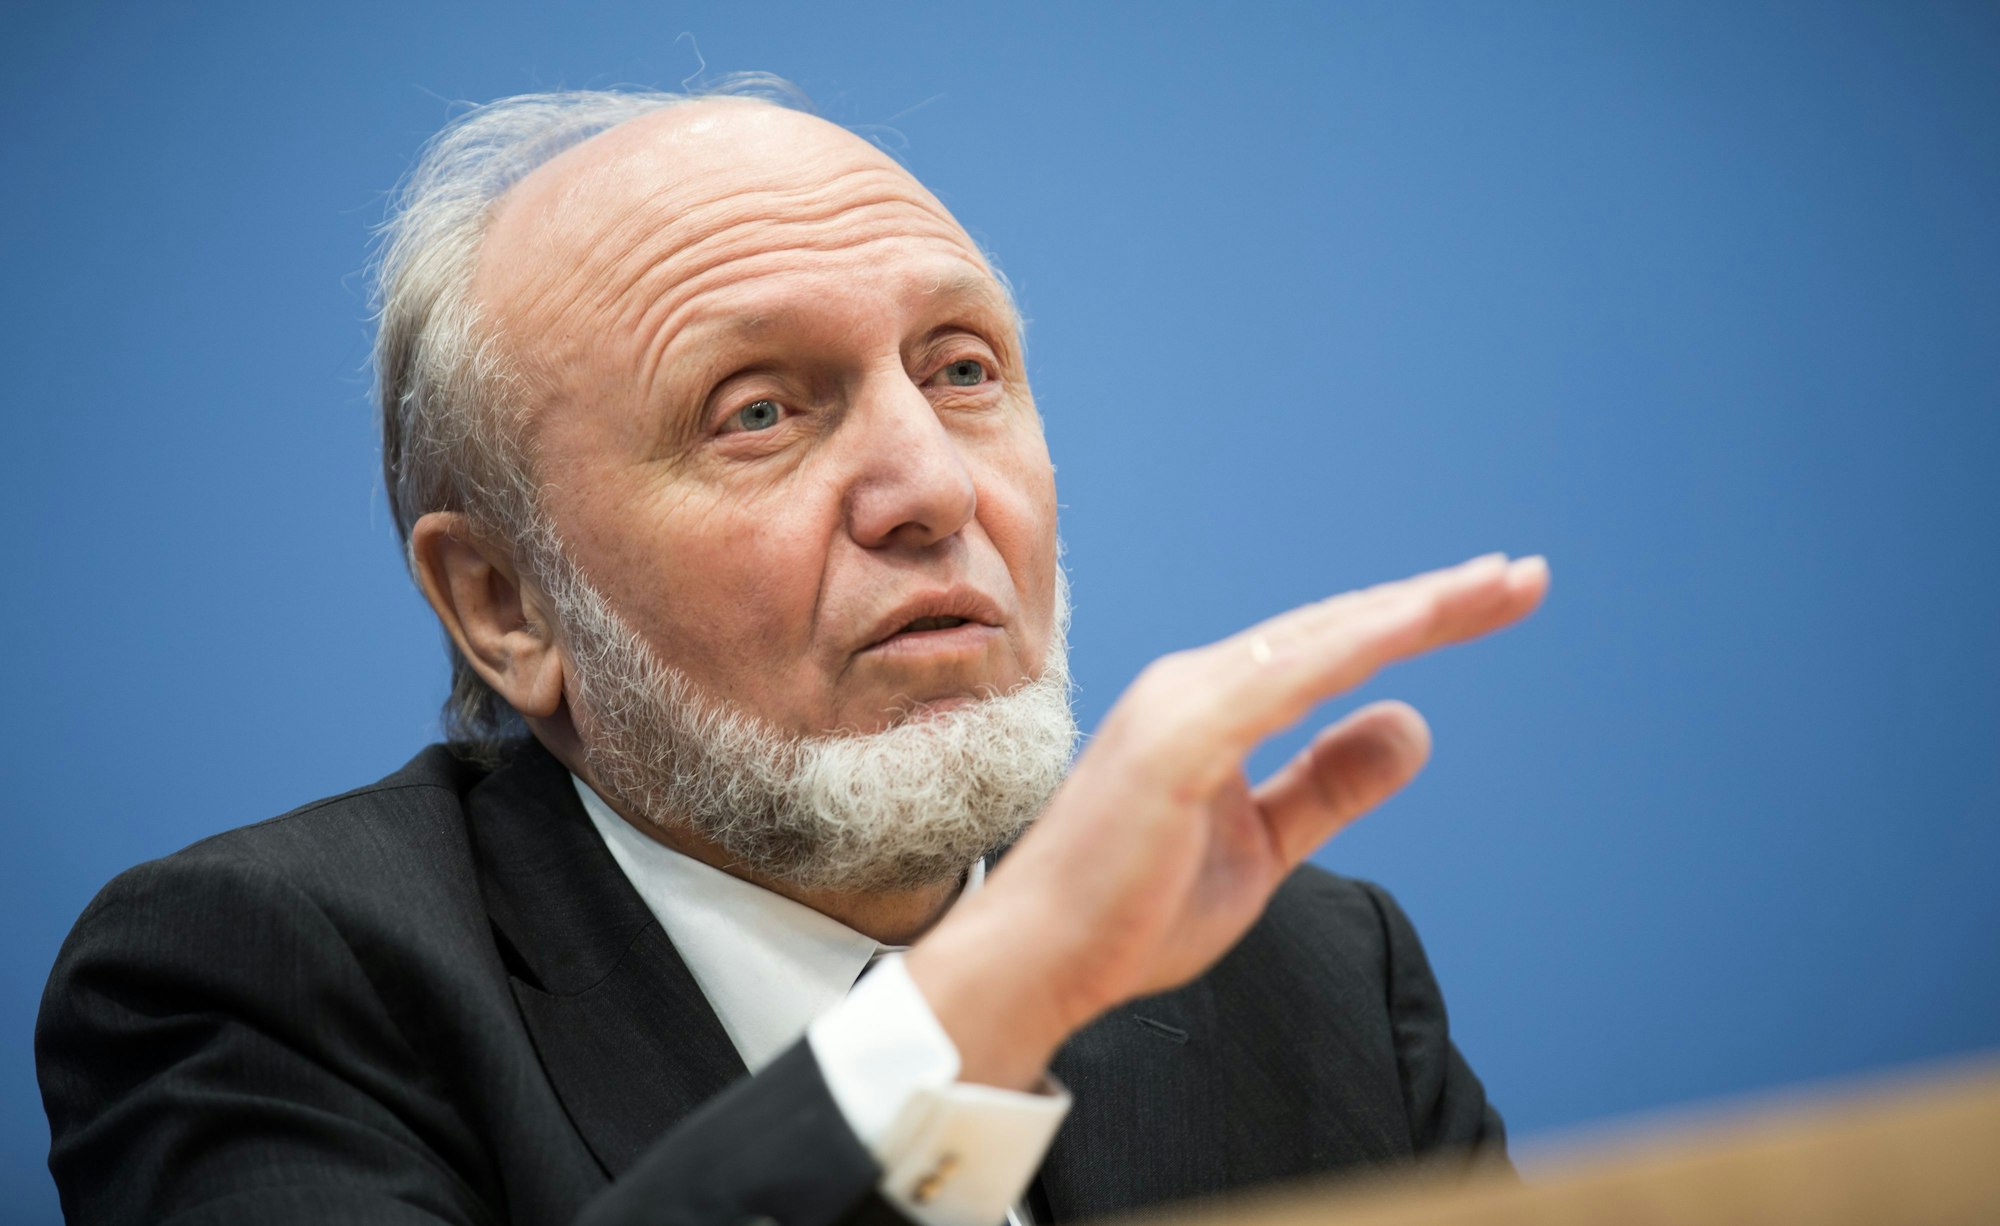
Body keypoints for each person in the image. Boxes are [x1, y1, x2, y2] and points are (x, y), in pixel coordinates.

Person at [37, 80, 1548, 1226]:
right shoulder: (263, 982)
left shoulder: (1317, 975)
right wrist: (989, 999)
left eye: (963, 371)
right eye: (758, 409)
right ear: (508, 603)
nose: (935, 489)